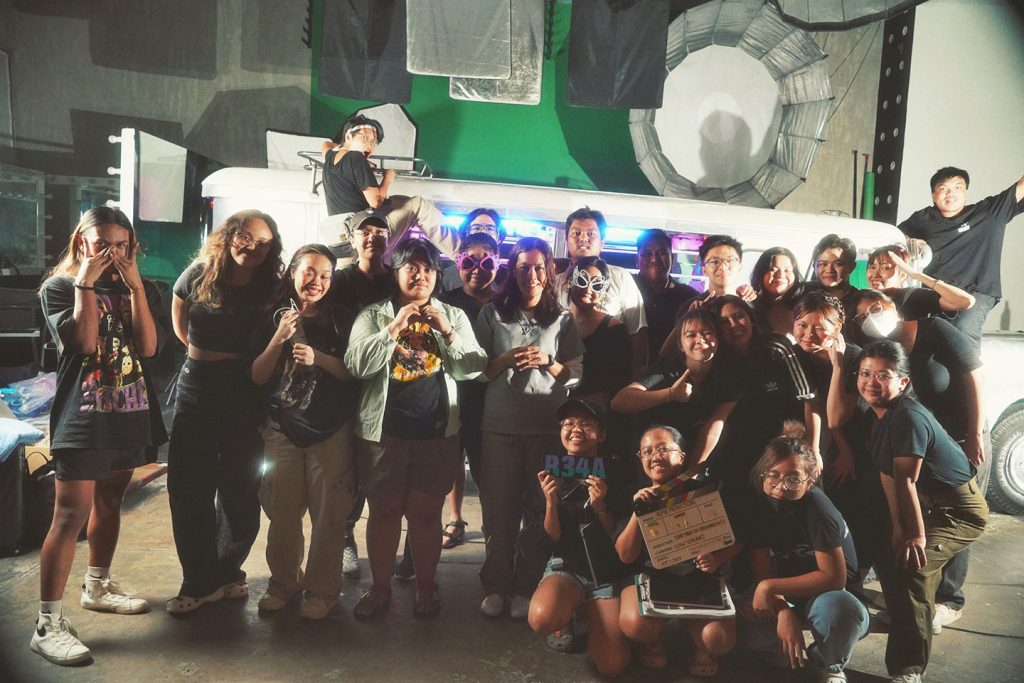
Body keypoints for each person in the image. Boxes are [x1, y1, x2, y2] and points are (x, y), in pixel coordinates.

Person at [33, 207, 167, 665]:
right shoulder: (59, 287)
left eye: (121, 245)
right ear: (81, 243)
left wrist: (135, 288)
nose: (112, 253)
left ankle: (97, 585)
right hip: (83, 417)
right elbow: (85, 343)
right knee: (70, 514)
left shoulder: (140, 287)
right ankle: (47, 624)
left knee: (111, 501)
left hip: (128, 411)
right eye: (102, 243)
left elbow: (148, 347)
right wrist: (85, 284)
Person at [344, 238, 487, 619]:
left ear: (437, 275)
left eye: (427, 269)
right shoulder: (374, 315)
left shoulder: (452, 315)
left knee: (425, 515)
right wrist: (393, 329)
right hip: (383, 436)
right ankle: (380, 588)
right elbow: (356, 365)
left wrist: (448, 332)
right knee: (384, 512)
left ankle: (425, 588)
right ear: (396, 273)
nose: (420, 275)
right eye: (411, 268)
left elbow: (474, 367)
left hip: (436, 434)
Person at [846, 289, 986, 632]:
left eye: (875, 308)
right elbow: (892, 478)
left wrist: (974, 432)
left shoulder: (933, 330)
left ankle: (940, 605)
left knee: (927, 553)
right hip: (914, 452)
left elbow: (973, 376)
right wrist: (901, 528)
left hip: (953, 446)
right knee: (902, 542)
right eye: (861, 316)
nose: (870, 317)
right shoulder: (879, 410)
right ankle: (909, 605)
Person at [167, 209, 283, 613]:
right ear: (230, 235)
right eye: (246, 237)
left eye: (263, 242)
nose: (252, 247)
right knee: (189, 487)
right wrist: (199, 352)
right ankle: (198, 580)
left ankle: (228, 570)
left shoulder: (271, 287)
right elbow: (179, 315)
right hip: (197, 384)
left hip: (244, 388)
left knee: (240, 490)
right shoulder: (200, 273)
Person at [855, 341, 988, 682]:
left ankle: (908, 668)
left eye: (883, 375)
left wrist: (914, 535)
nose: (871, 382)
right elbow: (888, 475)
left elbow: (906, 481)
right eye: (865, 373)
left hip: (958, 510)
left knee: (916, 568)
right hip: (927, 502)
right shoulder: (876, 417)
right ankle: (905, 616)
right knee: (890, 551)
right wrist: (897, 527)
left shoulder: (908, 418)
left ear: (903, 382)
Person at [474, 237, 584, 620]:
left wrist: (549, 362)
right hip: (500, 428)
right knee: (498, 510)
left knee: (540, 509)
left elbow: (575, 374)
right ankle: (496, 585)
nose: (532, 275)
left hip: (546, 429)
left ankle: (527, 585)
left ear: (549, 272)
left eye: (539, 268)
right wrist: (505, 359)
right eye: (524, 267)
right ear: (513, 270)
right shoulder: (492, 313)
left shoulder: (562, 318)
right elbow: (476, 370)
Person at [249, 245, 358, 619]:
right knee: (282, 511)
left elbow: (353, 373)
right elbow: (257, 376)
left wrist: (319, 358)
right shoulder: (271, 315)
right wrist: (278, 338)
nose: (317, 281)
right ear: (293, 272)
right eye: (309, 272)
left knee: (329, 515)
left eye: (325, 275)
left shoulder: (343, 319)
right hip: (281, 429)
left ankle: (323, 591)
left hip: (330, 429)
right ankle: (283, 584)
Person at [740, 423, 869, 683]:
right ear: (762, 474)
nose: (781, 486)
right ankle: (779, 649)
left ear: (809, 480)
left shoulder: (817, 508)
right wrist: (783, 611)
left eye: (793, 478)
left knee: (843, 613)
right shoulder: (758, 506)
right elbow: (763, 570)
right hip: (788, 593)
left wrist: (768, 587)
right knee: (750, 629)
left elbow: (834, 578)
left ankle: (830, 662)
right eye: (773, 475)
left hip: (829, 596)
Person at [617, 425, 738, 677]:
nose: (655, 456)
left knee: (718, 639)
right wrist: (637, 512)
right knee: (636, 625)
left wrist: (716, 558)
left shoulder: (708, 491)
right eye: (647, 451)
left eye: (663, 449)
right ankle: (653, 636)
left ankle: (699, 642)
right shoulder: (632, 494)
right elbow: (626, 556)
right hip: (652, 576)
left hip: (698, 578)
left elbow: (738, 539)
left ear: (682, 456)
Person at [529, 399, 630, 677]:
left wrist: (601, 506)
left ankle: (596, 618)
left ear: (602, 434)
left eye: (586, 423)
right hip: (567, 565)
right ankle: (568, 614)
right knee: (542, 618)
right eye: (569, 423)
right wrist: (550, 502)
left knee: (612, 666)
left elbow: (620, 537)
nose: (576, 429)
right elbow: (551, 538)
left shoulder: (617, 471)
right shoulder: (548, 472)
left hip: (605, 572)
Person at [327, 210, 393, 580]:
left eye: (380, 232)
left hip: (384, 387)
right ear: (352, 239)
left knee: (376, 468)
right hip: (341, 384)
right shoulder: (337, 281)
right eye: (364, 232)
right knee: (344, 465)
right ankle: (343, 536)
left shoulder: (396, 281)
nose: (372, 238)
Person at [898, 166, 1024, 351]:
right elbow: (893, 234)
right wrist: (909, 240)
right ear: (933, 196)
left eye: (957, 187)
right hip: (936, 291)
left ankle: (969, 370)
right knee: (915, 332)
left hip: (976, 291)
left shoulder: (987, 213)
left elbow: (1020, 188)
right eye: (943, 188)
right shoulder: (922, 218)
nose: (950, 193)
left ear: (966, 193)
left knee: (963, 328)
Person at [704, 295, 815, 497]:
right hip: (739, 450)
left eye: (739, 316)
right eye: (724, 322)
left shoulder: (777, 347)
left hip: (784, 446)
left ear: (751, 318)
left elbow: (810, 399)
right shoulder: (717, 361)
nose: (734, 324)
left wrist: (814, 450)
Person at [436, 232, 502, 550]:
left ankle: (494, 530)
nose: (477, 270)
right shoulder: (444, 302)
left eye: (486, 263)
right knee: (449, 463)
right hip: (452, 394)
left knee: (485, 468)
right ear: (457, 262)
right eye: (469, 262)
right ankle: (454, 518)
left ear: (497, 264)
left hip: (490, 398)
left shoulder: (505, 303)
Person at [611, 308, 739, 466]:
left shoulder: (728, 376)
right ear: (680, 345)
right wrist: (671, 394)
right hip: (654, 455)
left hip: (693, 451)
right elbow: (619, 402)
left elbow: (713, 426)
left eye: (707, 333)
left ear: (718, 338)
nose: (700, 339)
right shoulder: (667, 369)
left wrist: (693, 470)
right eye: (691, 335)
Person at [319, 114, 458, 258]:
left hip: (339, 241)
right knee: (418, 204)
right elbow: (376, 201)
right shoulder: (356, 157)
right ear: (348, 137)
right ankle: (460, 255)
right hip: (362, 238)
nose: (370, 146)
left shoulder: (330, 156)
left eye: (374, 142)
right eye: (365, 138)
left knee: (397, 201)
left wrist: (349, 151)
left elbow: (326, 144)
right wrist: (388, 178)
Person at [553, 207, 648, 373]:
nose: (583, 238)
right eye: (576, 233)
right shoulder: (555, 281)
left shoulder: (621, 278)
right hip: (560, 374)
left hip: (607, 373)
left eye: (591, 234)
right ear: (566, 240)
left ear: (602, 242)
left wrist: (636, 379)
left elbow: (637, 333)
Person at [632, 229, 700, 359]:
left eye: (662, 253)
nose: (654, 259)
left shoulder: (688, 296)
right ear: (637, 260)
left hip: (673, 368)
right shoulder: (624, 289)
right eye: (647, 253)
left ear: (672, 259)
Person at [865, 244, 974, 321]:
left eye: (885, 268)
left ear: (903, 274)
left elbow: (965, 301)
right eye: (872, 267)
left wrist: (917, 275)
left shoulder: (913, 296)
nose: (875, 274)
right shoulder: (863, 298)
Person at [440, 208, 508, 292]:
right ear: (466, 233)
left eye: (490, 229)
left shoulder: (508, 279)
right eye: (476, 228)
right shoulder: (448, 276)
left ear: (499, 237)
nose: (483, 232)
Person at [687, 234, 756, 307]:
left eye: (730, 260)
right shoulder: (693, 306)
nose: (723, 267)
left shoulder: (751, 304)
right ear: (704, 270)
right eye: (714, 262)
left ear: (740, 266)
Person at [750, 247, 805, 335]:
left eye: (787, 270)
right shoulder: (750, 306)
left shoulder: (805, 305)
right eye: (773, 269)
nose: (780, 275)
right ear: (761, 273)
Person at [808, 234, 860, 314]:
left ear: (852, 267)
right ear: (814, 267)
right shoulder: (803, 293)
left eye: (838, 264)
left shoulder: (861, 301)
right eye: (823, 264)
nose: (829, 270)